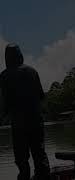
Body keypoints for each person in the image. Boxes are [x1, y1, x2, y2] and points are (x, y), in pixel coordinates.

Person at [0, 43, 50, 180]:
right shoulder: (32, 71)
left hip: (18, 125)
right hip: (36, 122)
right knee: (40, 155)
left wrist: (4, 116)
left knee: (21, 160)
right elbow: (41, 96)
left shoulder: (4, 76)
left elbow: (4, 103)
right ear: (20, 55)